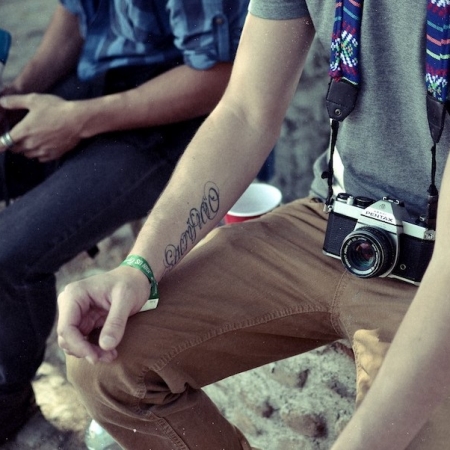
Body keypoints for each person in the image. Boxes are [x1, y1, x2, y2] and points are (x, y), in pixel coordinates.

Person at [56, 0, 450, 449]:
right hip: (333, 221)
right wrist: (138, 268)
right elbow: (245, 112)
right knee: (104, 358)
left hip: (435, 262)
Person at [0, 0, 248, 444]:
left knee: (9, 252)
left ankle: (9, 406)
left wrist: (77, 122)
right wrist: (18, 92)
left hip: (176, 118)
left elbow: (220, 77)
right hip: (99, 81)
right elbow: (76, 13)